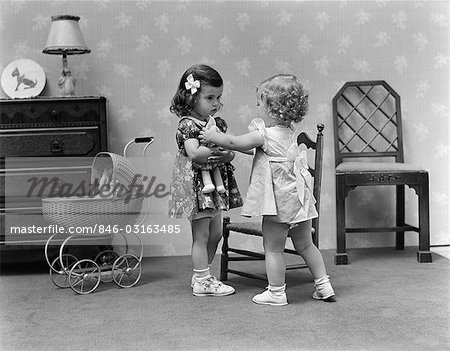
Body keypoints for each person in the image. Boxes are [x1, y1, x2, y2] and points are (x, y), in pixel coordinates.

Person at [200, 74, 336, 306]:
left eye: (259, 103)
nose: (257, 108)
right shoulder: (291, 133)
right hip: (300, 201)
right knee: (305, 244)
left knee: (273, 248)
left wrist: (214, 136)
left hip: (279, 204)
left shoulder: (263, 134)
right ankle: (324, 286)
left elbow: (235, 143)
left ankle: (276, 292)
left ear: (272, 107)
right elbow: (260, 153)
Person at [168, 64, 243, 297]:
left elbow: (229, 151)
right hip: (197, 184)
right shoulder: (188, 124)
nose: (216, 103)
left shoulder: (216, 123)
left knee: (216, 233)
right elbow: (194, 153)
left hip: (215, 183)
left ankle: (203, 274)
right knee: (200, 235)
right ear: (191, 97)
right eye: (210, 97)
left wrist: (226, 152)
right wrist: (210, 145)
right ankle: (202, 279)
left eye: (218, 97)